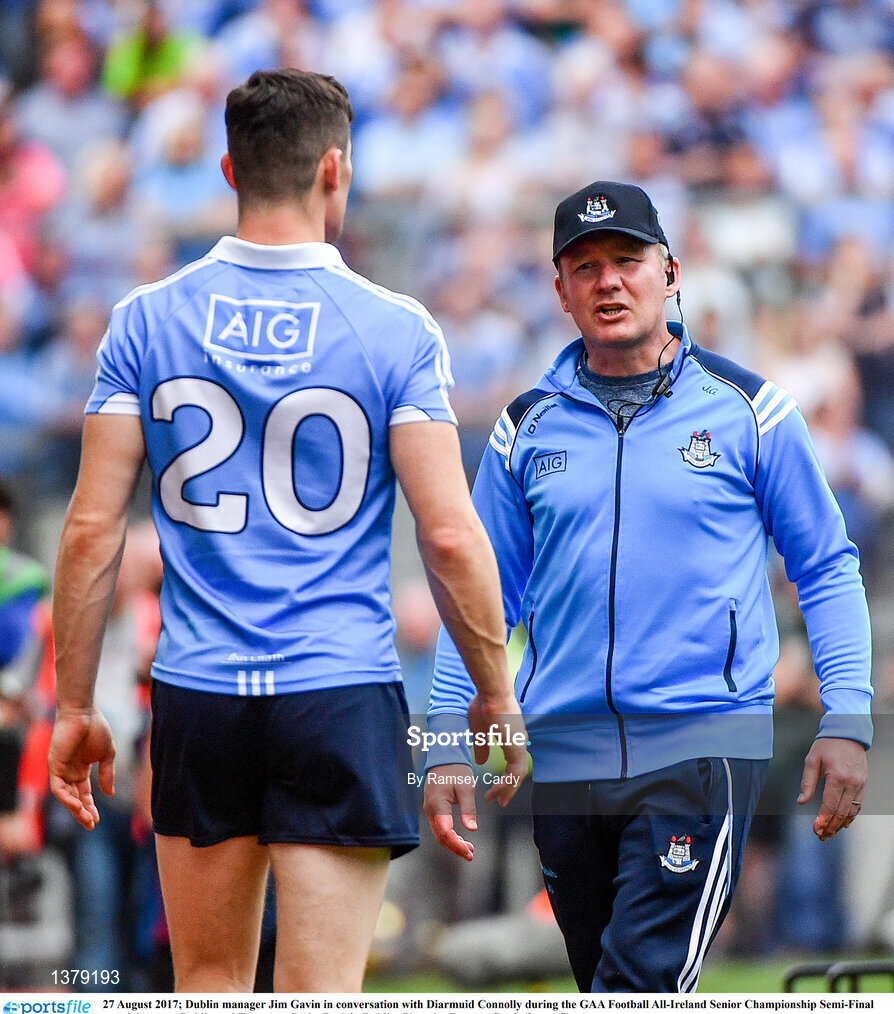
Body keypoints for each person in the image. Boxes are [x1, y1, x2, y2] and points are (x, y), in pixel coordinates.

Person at [47, 68, 526, 993]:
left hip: (199, 690)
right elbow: (450, 537)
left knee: (208, 987)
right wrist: (493, 691)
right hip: (337, 691)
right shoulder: (395, 328)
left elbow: (92, 528)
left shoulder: (145, 319)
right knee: (320, 994)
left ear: (230, 168)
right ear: (334, 169)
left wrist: (74, 707)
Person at [425, 180, 873, 993]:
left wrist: (847, 717)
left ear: (670, 273)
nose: (608, 281)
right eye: (585, 266)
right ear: (560, 292)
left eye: (627, 260)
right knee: (604, 982)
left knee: (639, 986)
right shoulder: (525, 427)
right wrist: (447, 734)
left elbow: (825, 565)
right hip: (563, 754)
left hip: (701, 744)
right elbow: (481, 593)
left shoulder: (752, 411)